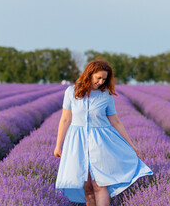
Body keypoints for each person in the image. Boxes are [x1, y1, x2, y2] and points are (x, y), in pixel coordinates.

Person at [54, 60, 153, 206]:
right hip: (77, 143)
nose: (101, 82)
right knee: (86, 187)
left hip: (100, 143)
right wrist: (58, 145)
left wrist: (131, 145)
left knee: (100, 185)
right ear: (89, 74)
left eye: (104, 79)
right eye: (98, 78)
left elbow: (116, 122)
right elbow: (65, 120)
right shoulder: (71, 92)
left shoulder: (105, 95)